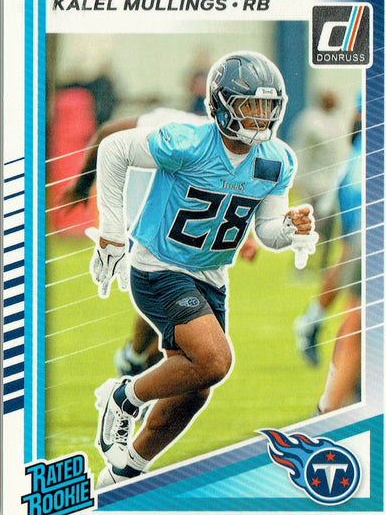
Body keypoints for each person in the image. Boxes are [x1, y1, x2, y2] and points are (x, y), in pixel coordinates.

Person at [89, 51, 317, 488]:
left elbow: (267, 231)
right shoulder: (189, 141)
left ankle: (124, 473)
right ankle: (123, 397)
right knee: (214, 359)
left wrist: (290, 229)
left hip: (211, 278)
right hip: (159, 266)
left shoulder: (277, 159)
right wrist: (113, 231)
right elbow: (114, 149)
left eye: (267, 106)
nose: (260, 116)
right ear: (223, 104)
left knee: (196, 389)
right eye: (250, 105)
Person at [61, 107, 259, 378]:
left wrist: (243, 236)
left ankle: (135, 359)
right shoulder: (172, 124)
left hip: (179, 231)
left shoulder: (229, 151)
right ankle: (134, 363)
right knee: (175, 299)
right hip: (143, 225)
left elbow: (221, 196)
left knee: (181, 324)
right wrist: (83, 184)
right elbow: (108, 133)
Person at [294, 104, 362, 384]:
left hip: (353, 173)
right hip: (363, 177)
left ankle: (311, 321)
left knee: (349, 259)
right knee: (361, 306)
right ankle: (338, 396)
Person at [289, 90, 345, 269]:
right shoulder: (310, 121)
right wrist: (298, 180)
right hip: (313, 183)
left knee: (329, 227)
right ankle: (301, 264)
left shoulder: (336, 121)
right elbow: (301, 151)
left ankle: (323, 265)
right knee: (310, 226)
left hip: (330, 184)